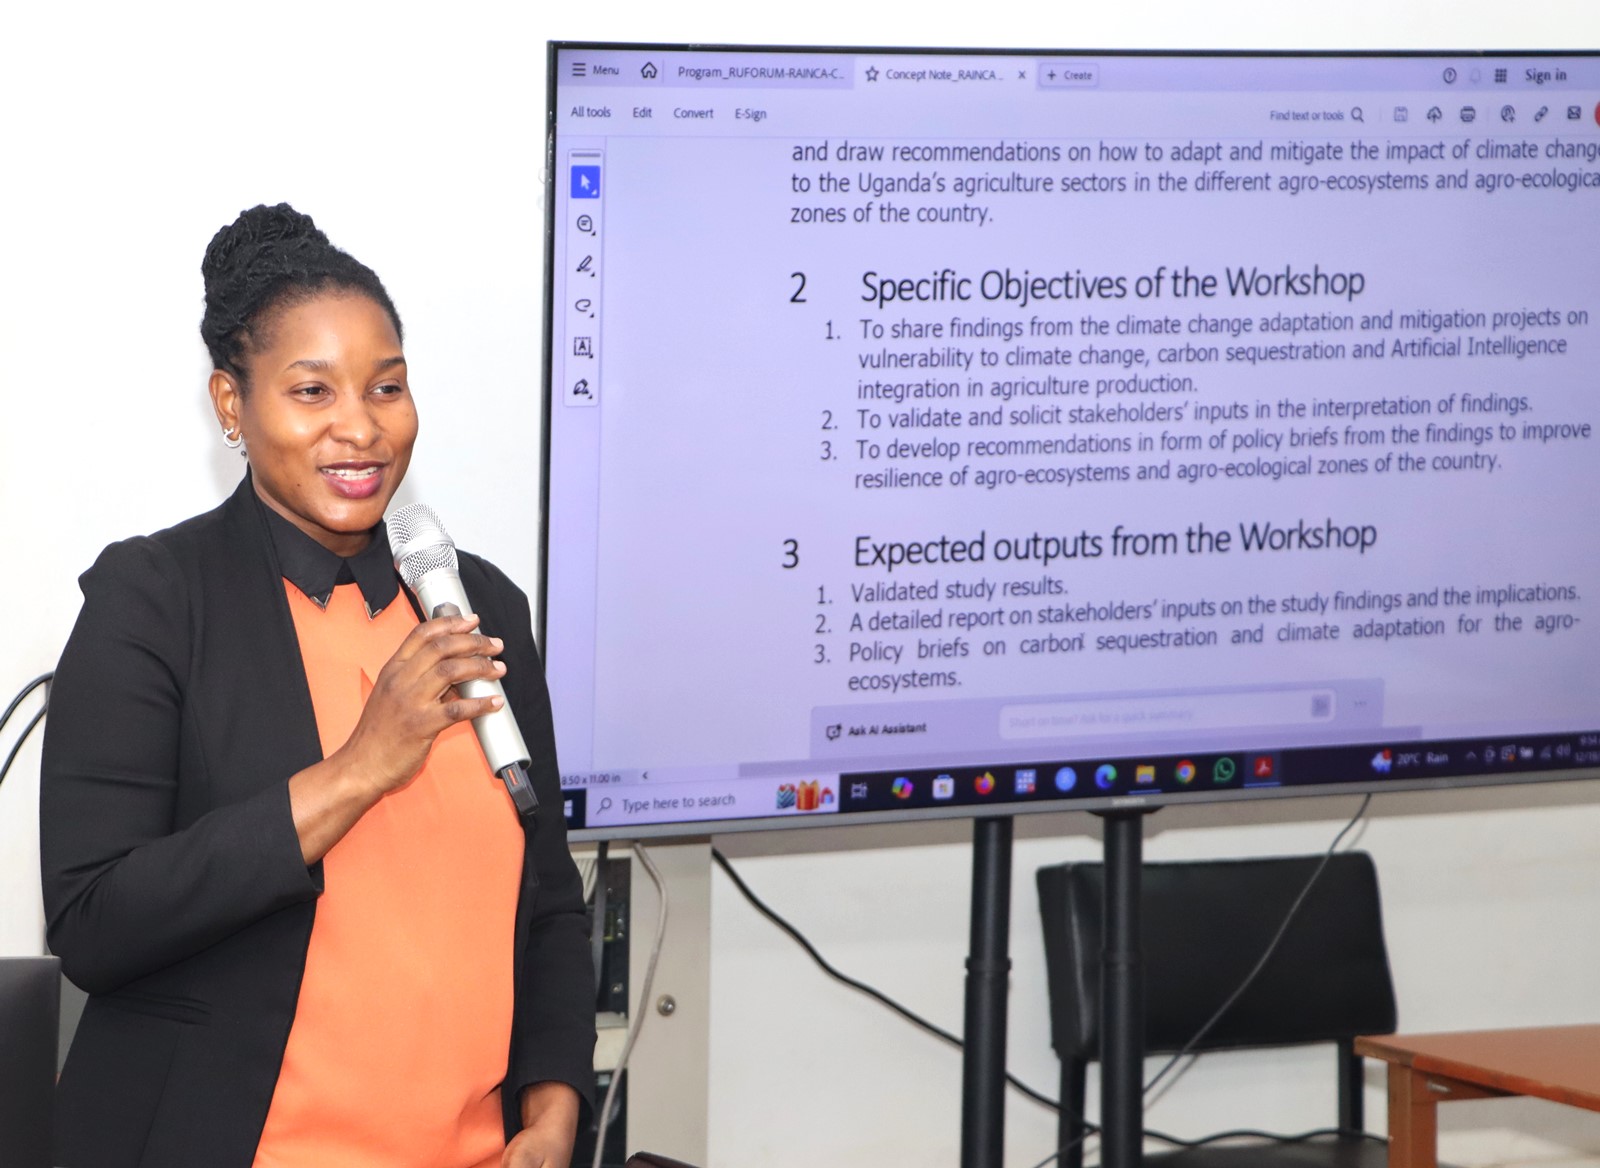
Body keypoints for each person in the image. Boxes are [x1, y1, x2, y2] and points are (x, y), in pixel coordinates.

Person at [40, 204, 595, 1168]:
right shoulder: (154, 602)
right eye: (312, 390)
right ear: (231, 404)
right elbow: (96, 920)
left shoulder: (479, 603)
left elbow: (546, 896)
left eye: (387, 387)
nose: (360, 427)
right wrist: (358, 770)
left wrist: (552, 1106)